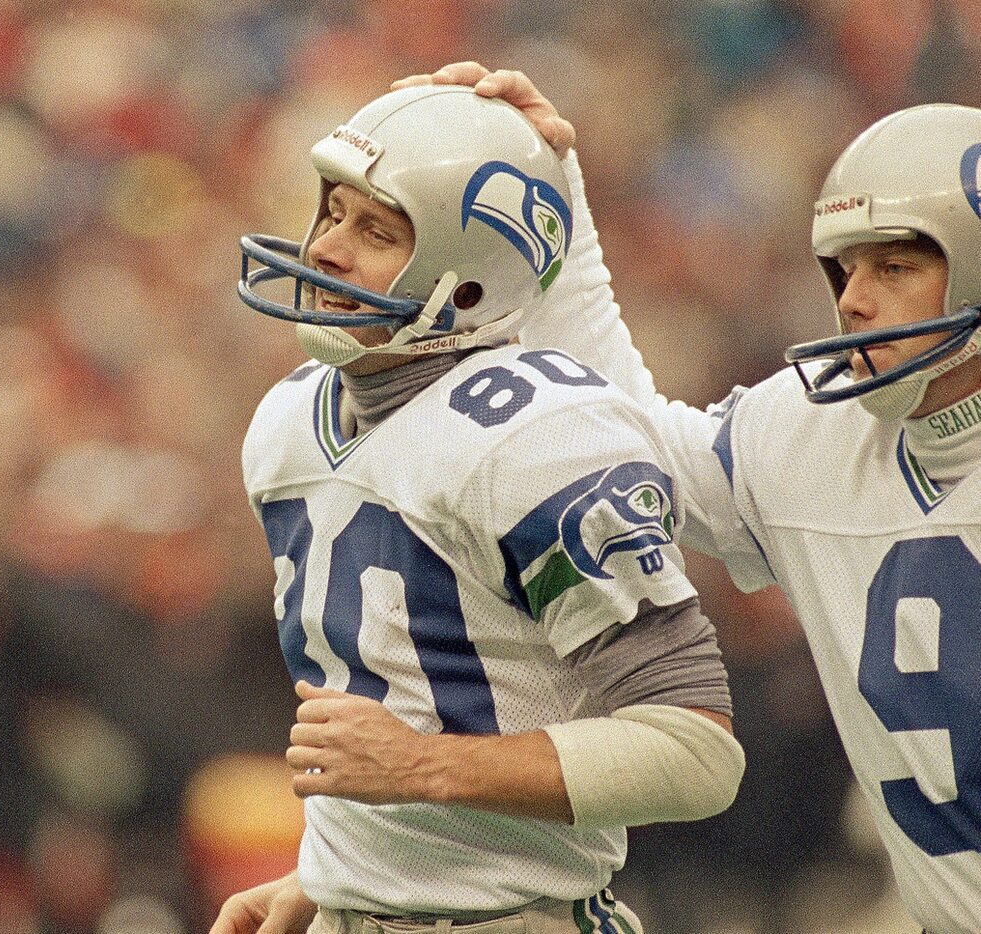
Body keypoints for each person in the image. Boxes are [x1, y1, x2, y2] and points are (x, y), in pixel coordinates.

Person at [404, 63, 981, 934]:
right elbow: (616, 445)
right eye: (843, 269)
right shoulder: (812, 437)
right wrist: (550, 215)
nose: (855, 301)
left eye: (895, 265)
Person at [212, 83, 746, 934]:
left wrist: (424, 769)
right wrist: (329, 881)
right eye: (334, 213)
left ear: (468, 281)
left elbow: (694, 752)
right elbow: (385, 703)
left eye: (378, 231)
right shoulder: (290, 418)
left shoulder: (539, 438)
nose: (329, 250)